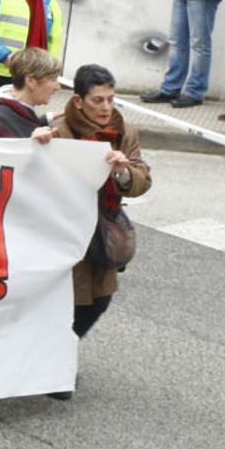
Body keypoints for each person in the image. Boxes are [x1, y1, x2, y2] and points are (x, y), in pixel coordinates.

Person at [53, 65, 151, 346]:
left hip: (102, 229)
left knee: (99, 300)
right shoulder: (58, 131)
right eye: (98, 100)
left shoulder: (124, 132)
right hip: (64, 230)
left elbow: (142, 178)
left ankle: (62, 353)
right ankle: (55, 362)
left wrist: (122, 173)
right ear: (78, 101)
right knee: (65, 301)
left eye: (111, 99)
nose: (106, 107)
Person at [0, 46, 63, 141]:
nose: (58, 87)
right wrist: (32, 141)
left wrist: (48, 117)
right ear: (31, 81)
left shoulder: (2, 109)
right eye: (53, 80)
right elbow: (9, 153)